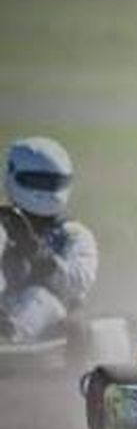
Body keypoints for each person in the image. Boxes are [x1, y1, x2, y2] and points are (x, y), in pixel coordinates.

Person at [0, 136, 99, 342]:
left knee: (39, 297)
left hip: (45, 318)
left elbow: (76, 283)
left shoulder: (74, 235)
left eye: (53, 183)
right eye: (38, 182)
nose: (45, 190)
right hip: (4, 301)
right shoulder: (5, 223)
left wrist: (37, 255)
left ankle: (9, 335)